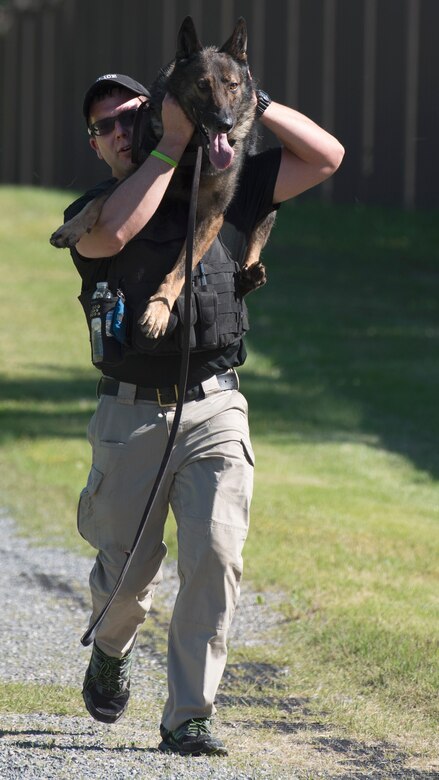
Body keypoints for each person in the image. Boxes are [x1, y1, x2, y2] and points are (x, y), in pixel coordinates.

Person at [62, 71, 344, 756]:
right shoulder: (95, 207)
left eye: (133, 114)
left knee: (215, 558)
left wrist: (252, 102)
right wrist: (169, 147)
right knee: (128, 578)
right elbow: (118, 234)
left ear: (158, 113)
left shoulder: (226, 186)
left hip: (217, 405)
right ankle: (109, 646)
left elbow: (324, 157)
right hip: (131, 416)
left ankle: (188, 714)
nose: (122, 131)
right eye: (107, 126)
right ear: (96, 145)